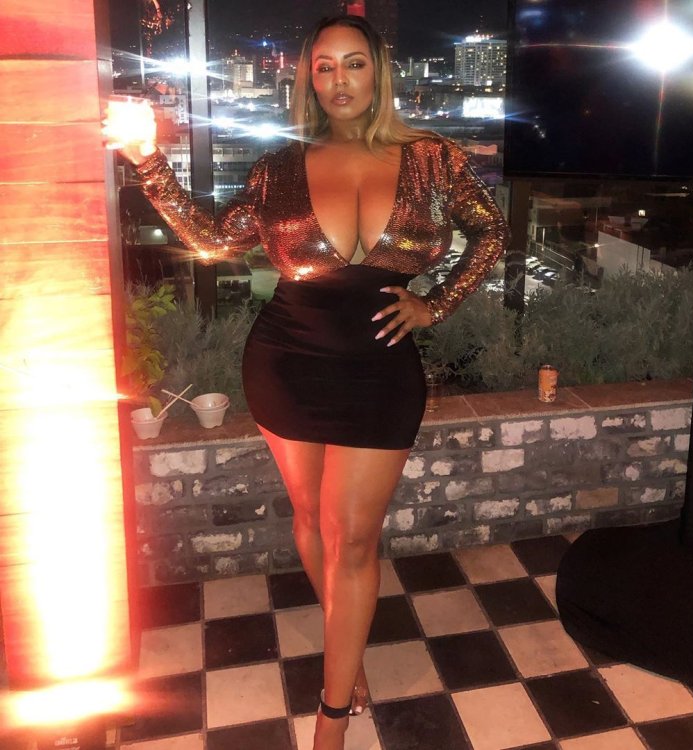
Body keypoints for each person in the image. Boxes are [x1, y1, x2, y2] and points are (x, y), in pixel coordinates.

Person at [104, 14, 507, 750]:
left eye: (355, 64)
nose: (339, 80)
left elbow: (493, 231)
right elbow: (212, 240)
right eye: (325, 66)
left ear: (379, 72)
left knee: (353, 539)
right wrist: (149, 160)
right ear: (307, 78)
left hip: (382, 369)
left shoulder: (434, 157)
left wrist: (437, 302)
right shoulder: (279, 168)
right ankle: (344, 651)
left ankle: (332, 717)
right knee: (313, 518)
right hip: (286, 360)